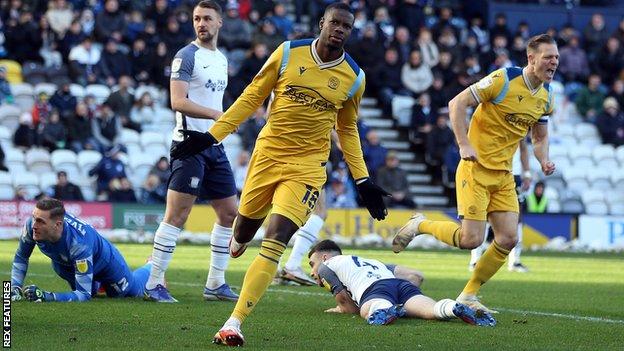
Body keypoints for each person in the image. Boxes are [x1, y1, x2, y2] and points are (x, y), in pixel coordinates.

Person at [170, 3, 389, 346]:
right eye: (335, 23)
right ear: (322, 23)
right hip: (267, 155)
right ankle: (240, 238)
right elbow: (251, 96)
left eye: (347, 27)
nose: (340, 30)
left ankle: (234, 322)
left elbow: (348, 130)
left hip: (308, 166)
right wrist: (213, 136)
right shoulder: (288, 53)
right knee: (244, 228)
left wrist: (362, 180)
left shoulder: (353, 77)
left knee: (276, 239)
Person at [392, 34, 558, 313]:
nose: (554, 62)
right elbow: (457, 103)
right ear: (531, 58)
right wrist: (464, 143)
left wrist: (544, 160)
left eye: (556, 58)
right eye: (548, 57)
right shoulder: (503, 80)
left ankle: (469, 294)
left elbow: (539, 138)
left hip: (504, 174)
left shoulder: (547, 96)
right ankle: (420, 224)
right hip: (476, 168)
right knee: (471, 240)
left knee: (508, 238)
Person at [144, 1, 239, 304]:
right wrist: (215, 115)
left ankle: (215, 283)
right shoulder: (186, 56)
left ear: (219, 22)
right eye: (197, 18)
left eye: (207, 18)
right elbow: (177, 100)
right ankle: (154, 282)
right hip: (189, 145)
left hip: (215, 145)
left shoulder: (221, 59)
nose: (201, 23)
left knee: (229, 213)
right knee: (177, 215)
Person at [308, 240, 496, 326]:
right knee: (431, 310)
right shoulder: (370, 261)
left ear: (324, 257)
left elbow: (350, 309)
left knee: (367, 310)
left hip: (374, 291)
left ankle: (383, 308)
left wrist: (339, 308)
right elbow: (416, 276)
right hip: (400, 285)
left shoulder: (326, 267)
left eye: (312, 264)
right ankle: (453, 307)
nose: (312, 271)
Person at [9, 198, 152, 302]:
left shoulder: (79, 243)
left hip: (106, 263)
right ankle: (94, 284)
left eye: (40, 221)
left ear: (57, 225)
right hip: (66, 266)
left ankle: (151, 265)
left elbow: (83, 295)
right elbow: (21, 256)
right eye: (34, 218)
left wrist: (47, 296)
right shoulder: (31, 226)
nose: (34, 225)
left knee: (127, 292)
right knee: (92, 291)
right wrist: (15, 287)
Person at [469, 139, 532, 273]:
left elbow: (524, 148)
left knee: (517, 218)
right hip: (492, 172)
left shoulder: (519, 123)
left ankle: (515, 261)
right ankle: (475, 260)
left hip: (513, 175)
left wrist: (526, 173)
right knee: (484, 216)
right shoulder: (493, 123)